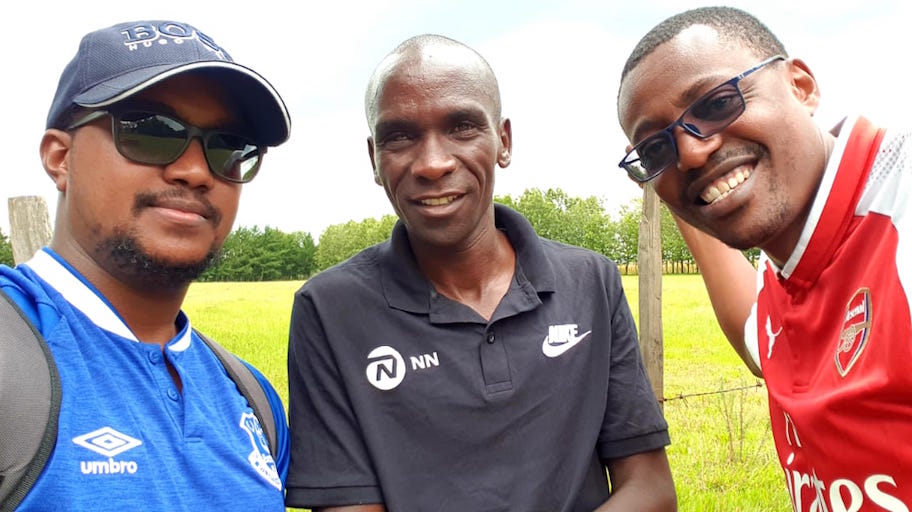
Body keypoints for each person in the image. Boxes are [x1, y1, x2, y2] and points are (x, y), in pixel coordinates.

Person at [285, 34, 676, 512]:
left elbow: (651, 488)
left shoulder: (590, 281)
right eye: (400, 136)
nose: (433, 163)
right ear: (374, 159)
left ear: (503, 142)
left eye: (462, 127)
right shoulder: (329, 310)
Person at [617, 5, 912, 510]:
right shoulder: (790, 258)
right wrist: (691, 191)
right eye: (658, 150)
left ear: (801, 85)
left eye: (716, 104)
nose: (691, 152)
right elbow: (758, 339)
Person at [0, 20, 292, 509]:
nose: (196, 171)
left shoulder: (251, 398)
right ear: (60, 158)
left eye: (227, 147)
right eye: (151, 131)